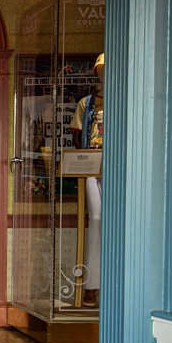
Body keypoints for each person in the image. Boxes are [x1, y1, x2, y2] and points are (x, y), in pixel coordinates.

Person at [69, 53, 104, 307]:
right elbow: (77, 137)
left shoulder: (125, 102)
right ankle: (91, 285)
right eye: (101, 71)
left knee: (115, 222)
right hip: (93, 166)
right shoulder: (86, 103)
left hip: (118, 168)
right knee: (97, 219)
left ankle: (111, 283)